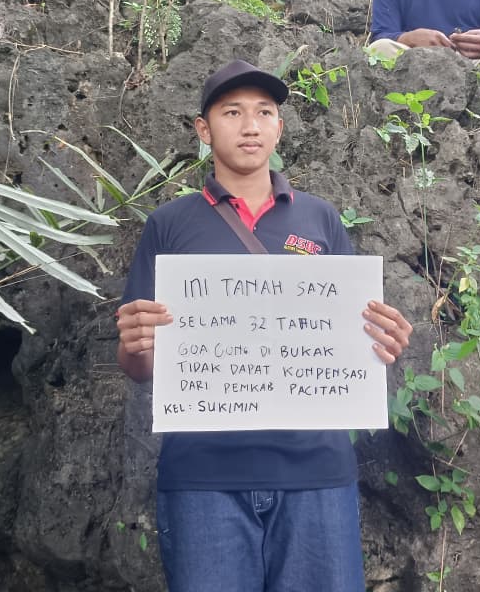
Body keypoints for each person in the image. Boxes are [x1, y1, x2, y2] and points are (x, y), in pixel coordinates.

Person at [115, 59, 412, 592]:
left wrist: (382, 343)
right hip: (204, 477)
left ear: (279, 127)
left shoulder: (321, 220)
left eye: (264, 112)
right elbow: (140, 367)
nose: (250, 126)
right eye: (232, 112)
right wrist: (135, 345)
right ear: (203, 130)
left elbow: (350, 342)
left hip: (316, 473)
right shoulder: (168, 225)